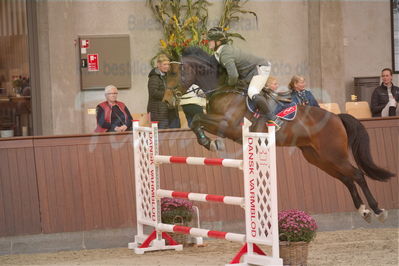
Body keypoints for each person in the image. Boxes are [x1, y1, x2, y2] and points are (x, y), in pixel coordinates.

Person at [206, 27, 278, 126]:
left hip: (260, 67)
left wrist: (228, 85)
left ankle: (272, 118)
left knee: (252, 91)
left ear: (218, 42)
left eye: (210, 40)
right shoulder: (219, 53)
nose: (208, 42)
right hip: (248, 72)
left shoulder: (225, 54)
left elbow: (234, 75)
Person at [147, 54, 180, 129]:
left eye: (168, 64)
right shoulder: (154, 77)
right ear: (158, 65)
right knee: (163, 135)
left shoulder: (168, 76)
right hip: (159, 112)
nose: (167, 66)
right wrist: (169, 94)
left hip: (170, 110)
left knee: (175, 132)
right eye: (164, 64)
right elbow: (153, 93)